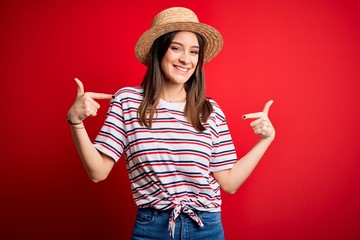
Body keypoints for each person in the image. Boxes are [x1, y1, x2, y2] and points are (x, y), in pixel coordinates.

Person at [67, 7, 275, 240]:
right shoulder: (128, 101)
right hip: (152, 227)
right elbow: (98, 172)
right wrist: (76, 123)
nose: (186, 59)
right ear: (159, 51)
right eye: (176, 48)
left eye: (194, 52)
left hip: (206, 227)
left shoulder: (210, 111)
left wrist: (265, 140)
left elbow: (229, 183)